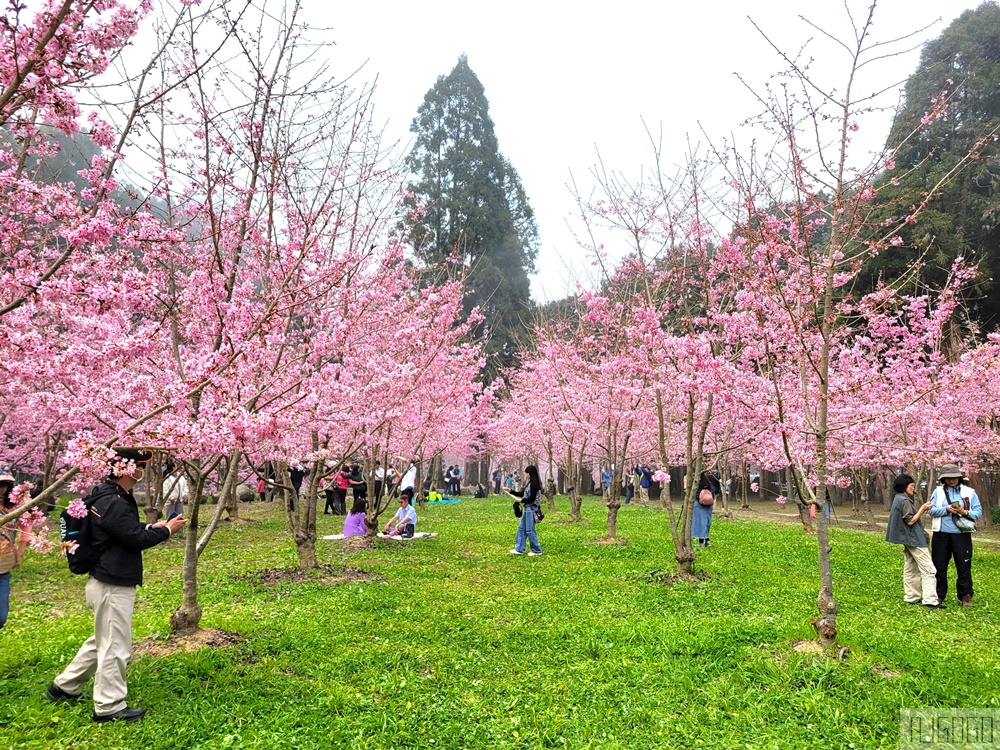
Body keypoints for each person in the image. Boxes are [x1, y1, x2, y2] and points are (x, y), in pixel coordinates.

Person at [46, 449, 187, 723]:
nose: (142, 471)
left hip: (105, 579)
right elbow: (134, 539)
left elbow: (121, 530)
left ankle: (63, 687)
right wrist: (167, 530)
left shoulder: (108, 495)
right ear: (127, 469)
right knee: (114, 645)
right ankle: (109, 707)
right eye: (141, 466)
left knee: (103, 638)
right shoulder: (114, 500)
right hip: (112, 583)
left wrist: (151, 526)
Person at [927, 463, 982, 607]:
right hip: (941, 534)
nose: (951, 480)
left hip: (961, 535)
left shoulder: (970, 492)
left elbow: (978, 512)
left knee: (963, 565)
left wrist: (964, 512)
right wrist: (946, 509)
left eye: (954, 477)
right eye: (948, 478)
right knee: (939, 565)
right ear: (943, 479)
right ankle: (938, 595)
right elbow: (931, 511)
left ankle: (966, 595)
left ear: (959, 477)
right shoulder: (937, 492)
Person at [885, 473, 941, 608]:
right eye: (911, 486)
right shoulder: (904, 501)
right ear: (904, 487)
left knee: (911, 567)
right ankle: (930, 600)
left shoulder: (898, 499)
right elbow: (910, 521)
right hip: (914, 539)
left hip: (907, 540)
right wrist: (923, 509)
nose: (913, 488)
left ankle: (911, 597)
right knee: (929, 569)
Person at [0, 466, 30, 630]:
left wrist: (21, 549)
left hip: (3, 566)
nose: (1, 488)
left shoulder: (15, 505)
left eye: (4, 484)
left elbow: (27, 524)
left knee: (1, 616)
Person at [507, 465, 543, 556]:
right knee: (521, 528)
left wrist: (522, 500)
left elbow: (531, 498)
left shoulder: (534, 484)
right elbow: (522, 493)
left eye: (527, 473)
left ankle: (537, 550)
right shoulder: (529, 483)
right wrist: (510, 491)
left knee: (530, 530)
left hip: (531, 509)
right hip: (527, 509)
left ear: (530, 473)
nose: (526, 475)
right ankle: (519, 549)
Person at [693, 468, 720, 548]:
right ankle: (707, 541)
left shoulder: (697, 485)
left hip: (699, 506)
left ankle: (701, 542)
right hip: (709, 506)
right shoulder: (709, 484)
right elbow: (713, 493)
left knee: (700, 523)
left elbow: (696, 495)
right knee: (706, 523)